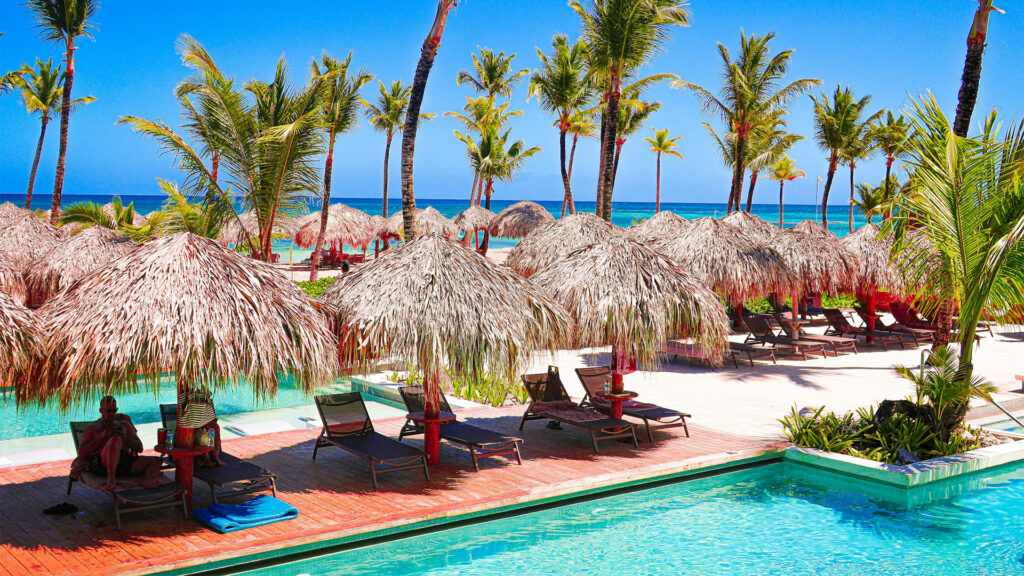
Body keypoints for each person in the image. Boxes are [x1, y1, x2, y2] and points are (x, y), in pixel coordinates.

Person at [73, 396, 163, 490]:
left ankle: (149, 480)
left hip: (124, 462)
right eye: (108, 411)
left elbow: (139, 448)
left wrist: (125, 438)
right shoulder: (92, 427)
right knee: (115, 440)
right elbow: (82, 453)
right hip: (102, 463)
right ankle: (111, 480)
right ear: (101, 411)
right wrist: (101, 437)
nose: (112, 413)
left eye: (114, 410)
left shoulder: (124, 424)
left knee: (157, 461)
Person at [179, 387, 224, 467]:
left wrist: (208, 403)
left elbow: (212, 417)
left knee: (214, 427)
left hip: (204, 424)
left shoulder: (206, 402)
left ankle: (215, 456)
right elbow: (187, 418)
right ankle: (207, 458)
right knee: (206, 428)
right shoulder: (189, 402)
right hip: (192, 426)